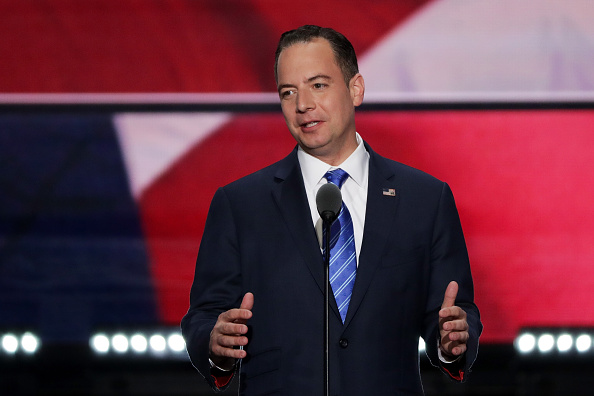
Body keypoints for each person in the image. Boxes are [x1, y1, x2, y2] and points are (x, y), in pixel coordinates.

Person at [181, 25, 482, 396]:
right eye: (288, 91)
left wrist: (451, 341)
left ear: (355, 88)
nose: (302, 104)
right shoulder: (241, 204)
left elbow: (455, 312)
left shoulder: (424, 199)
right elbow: (204, 314)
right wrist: (216, 344)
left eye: (318, 85)